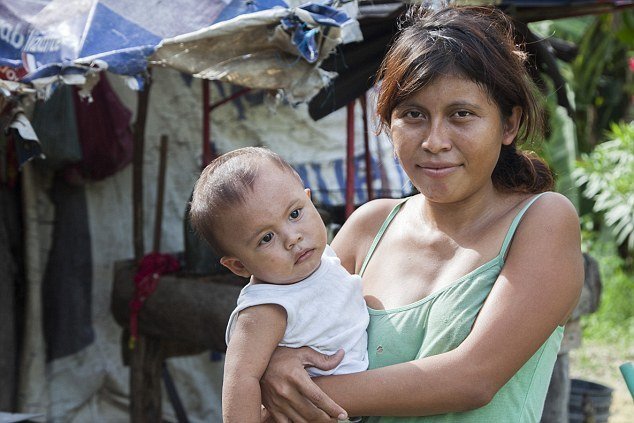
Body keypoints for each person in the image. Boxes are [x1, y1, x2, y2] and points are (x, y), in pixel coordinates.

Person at [257, 4, 584, 422]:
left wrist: (296, 390)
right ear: (387, 122)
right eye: (413, 115)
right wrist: (276, 362)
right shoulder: (368, 228)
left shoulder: (541, 221)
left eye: (461, 115)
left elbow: (473, 378)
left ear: (509, 125)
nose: (434, 141)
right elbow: (286, 330)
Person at [188, 147, 369, 422]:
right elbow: (240, 381)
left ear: (309, 199)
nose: (292, 238)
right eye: (266, 238)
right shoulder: (268, 307)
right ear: (239, 266)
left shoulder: (325, 258)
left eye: (295, 214)